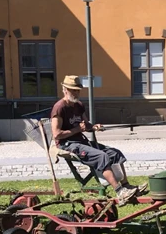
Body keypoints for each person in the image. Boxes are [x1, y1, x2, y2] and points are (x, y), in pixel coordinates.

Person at [50, 75, 144, 204]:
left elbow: (86, 125)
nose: (76, 93)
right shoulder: (59, 108)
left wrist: (94, 127)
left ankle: (126, 186)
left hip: (81, 141)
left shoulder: (79, 105)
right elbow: (57, 135)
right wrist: (77, 129)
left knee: (115, 153)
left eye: (78, 90)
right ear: (65, 89)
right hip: (67, 144)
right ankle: (119, 192)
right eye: (73, 90)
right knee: (102, 156)